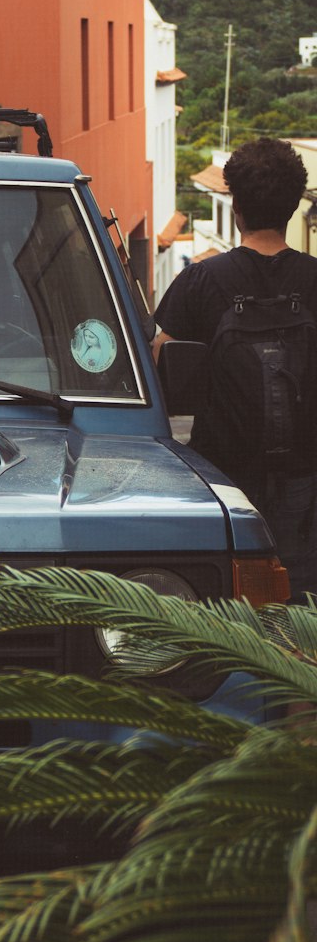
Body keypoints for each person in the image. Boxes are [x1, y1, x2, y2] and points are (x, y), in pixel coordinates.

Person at [155, 136, 317, 598]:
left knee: (228, 599)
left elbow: (161, 367)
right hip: (306, 479)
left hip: (223, 477)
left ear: (236, 205)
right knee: (301, 605)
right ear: (292, 206)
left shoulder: (201, 281)